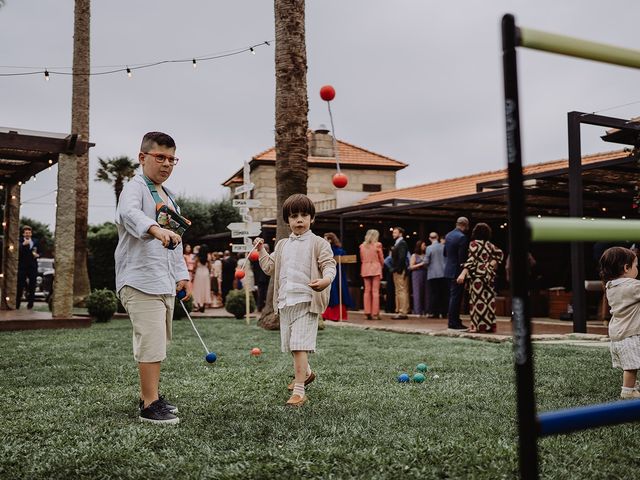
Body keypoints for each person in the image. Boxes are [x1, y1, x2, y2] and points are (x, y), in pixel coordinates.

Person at [115, 131, 190, 425]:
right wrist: (155, 230)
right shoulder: (134, 188)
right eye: (160, 157)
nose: (167, 164)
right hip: (138, 278)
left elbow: (177, 239)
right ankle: (149, 405)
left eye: (172, 159)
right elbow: (129, 213)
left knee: (159, 340)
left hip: (163, 280)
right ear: (142, 157)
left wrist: (181, 274)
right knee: (151, 339)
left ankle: (152, 394)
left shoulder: (169, 196)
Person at [253, 193, 336, 407]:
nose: (299, 219)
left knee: (300, 346)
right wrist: (262, 250)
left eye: (304, 215)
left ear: (312, 218)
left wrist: (326, 280)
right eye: (294, 216)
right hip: (285, 302)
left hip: (307, 302)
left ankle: (299, 392)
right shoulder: (282, 245)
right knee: (292, 345)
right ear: (287, 220)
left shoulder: (318, 243)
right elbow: (270, 267)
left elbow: (329, 264)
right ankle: (307, 373)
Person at [599, 246, 640, 399]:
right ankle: (628, 392)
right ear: (626, 268)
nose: (637, 269)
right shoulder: (632, 286)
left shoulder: (610, 286)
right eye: (636, 265)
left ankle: (632, 386)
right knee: (631, 367)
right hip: (630, 335)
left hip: (618, 335)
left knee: (631, 365)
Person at [456, 223, 503, 333]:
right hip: (488, 275)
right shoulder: (489, 245)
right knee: (489, 300)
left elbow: (471, 260)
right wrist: (490, 265)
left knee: (477, 301)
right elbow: (500, 254)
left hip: (477, 276)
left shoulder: (473, 244)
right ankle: (490, 326)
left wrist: (463, 273)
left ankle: (478, 327)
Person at [444, 217, 470, 330]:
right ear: (465, 225)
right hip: (457, 271)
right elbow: (462, 258)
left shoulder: (448, 235)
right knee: (456, 298)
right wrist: (464, 272)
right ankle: (454, 322)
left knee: (452, 297)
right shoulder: (462, 237)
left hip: (448, 269)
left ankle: (453, 321)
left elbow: (445, 253)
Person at [322, 232, 354, 321]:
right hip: (329, 275)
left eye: (325, 239)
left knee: (338, 293)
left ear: (330, 240)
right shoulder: (325, 250)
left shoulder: (337, 250)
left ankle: (337, 315)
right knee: (330, 294)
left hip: (338, 276)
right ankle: (328, 314)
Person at [359, 229, 384, 320]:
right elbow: (381, 258)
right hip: (376, 268)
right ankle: (375, 313)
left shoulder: (362, 246)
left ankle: (367, 312)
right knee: (375, 291)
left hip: (365, 268)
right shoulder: (378, 245)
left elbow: (362, 258)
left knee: (367, 291)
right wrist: (381, 265)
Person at [425, 232, 448, 318]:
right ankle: (444, 312)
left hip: (433, 273)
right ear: (437, 237)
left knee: (434, 293)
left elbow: (426, 261)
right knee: (444, 293)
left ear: (430, 238)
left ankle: (435, 312)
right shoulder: (444, 247)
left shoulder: (429, 248)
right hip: (443, 272)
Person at [17, 225, 39, 309]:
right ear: (23, 234)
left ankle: (30, 304)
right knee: (20, 285)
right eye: (26, 233)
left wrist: (38, 255)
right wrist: (22, 244)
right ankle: (17, 304)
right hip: (22, 267)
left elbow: (40, 251)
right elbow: (17, 251)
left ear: (31, 233)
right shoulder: (19, 240)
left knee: (32, 286)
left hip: (32, 267)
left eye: (29, 233)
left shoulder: (36, 241)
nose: (28, 234)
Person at [390, 226, 410, 319]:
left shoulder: (402, 243)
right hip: (398, 269)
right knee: (398, 290)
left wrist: (397, 269)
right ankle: (398, 309)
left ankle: (403, 311)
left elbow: (402, 258)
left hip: (400, 270)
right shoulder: (398, 243)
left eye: (395, 232)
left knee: (401, 290)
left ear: (400, 234)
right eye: (393, 232)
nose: (393, 234)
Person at [409, 240, 429, 316]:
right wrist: (421, 264)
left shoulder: (426, 255)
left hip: (425, 273)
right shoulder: (414, 255)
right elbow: (411, 266)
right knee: (417, 292)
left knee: (426, 292)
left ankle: (426, 310)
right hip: (417, 274)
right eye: (423, 245)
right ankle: (417, 310)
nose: (425, 247)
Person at [191, 244, 212, 313]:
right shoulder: (208, 256)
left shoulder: (197, 257)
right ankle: (203, 305)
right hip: (205, 273)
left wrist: (193, 273)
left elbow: (194, 266)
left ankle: (199, 304)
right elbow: (210, 267)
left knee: (198, 289)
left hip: (199, 273)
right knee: (205, 288)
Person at [253, 244, 270, 311]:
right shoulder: (267, 256)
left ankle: (260, 306)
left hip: (260, 277)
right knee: (264, 293)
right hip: (265, 277)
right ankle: (261, 306)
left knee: (261, 293)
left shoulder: (258, 256)